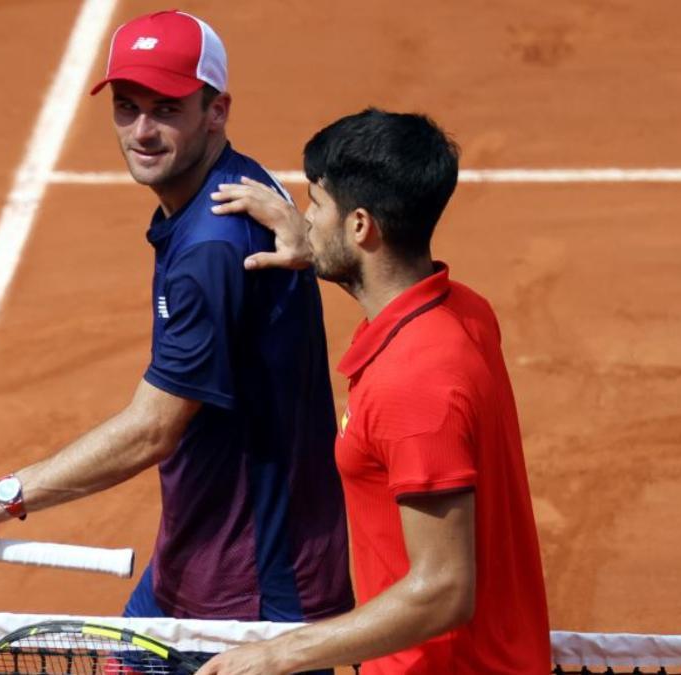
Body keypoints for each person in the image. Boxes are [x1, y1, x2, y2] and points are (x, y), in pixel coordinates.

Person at [0, 10, 354, 624]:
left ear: (217, 110)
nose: (142, 130)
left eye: (166, 109)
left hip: (247, 593)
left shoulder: (213, 248)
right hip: (197, 558)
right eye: (127, 107)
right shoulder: (240, 184)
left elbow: (152, 428)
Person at [202, 109, 550, 673]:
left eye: (316, 205)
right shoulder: (463, 313)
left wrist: (278, 654)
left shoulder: (413, 386)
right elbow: (388, 291)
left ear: (361, 226)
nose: (304, 220)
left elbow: (443, 589)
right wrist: (313, 249)